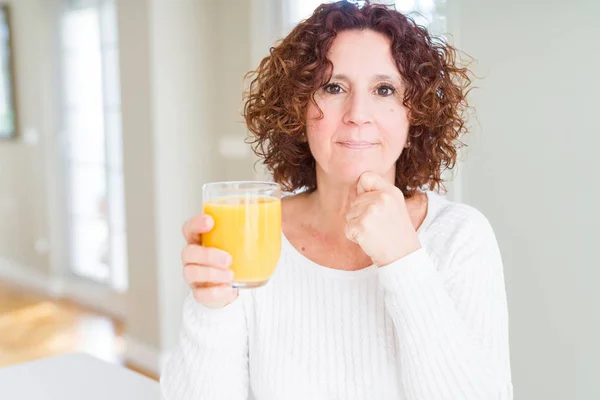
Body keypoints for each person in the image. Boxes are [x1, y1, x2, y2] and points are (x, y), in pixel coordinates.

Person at [160, 2, 513, 399]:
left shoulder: (460, 236)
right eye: (333, 87)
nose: (357, 114)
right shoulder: (251, 233)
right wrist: (212, 308)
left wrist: (403, 259)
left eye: (384, 90)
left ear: (413, 114)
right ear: (297, 108)